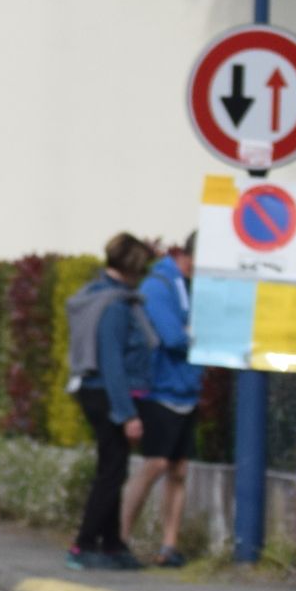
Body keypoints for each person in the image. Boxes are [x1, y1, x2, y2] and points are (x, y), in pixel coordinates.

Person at [62, 234, 158, 573]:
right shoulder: (116, 306)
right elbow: (112, 362)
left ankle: (113, 544)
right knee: (112, 471)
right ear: (134, 267)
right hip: (108, 393)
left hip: (94, 390)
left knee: (113, 467)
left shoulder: (96, 293)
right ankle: (84, 544)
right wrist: (127, 414)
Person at [125, 233, 199, 566]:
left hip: (187, 388)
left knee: (179, 469)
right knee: (154, 464)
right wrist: (203, 336)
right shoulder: (158, 286)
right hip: (159, 389)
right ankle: (120, 537)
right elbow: (172, 337)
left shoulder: (193, 286)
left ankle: (169, 546)